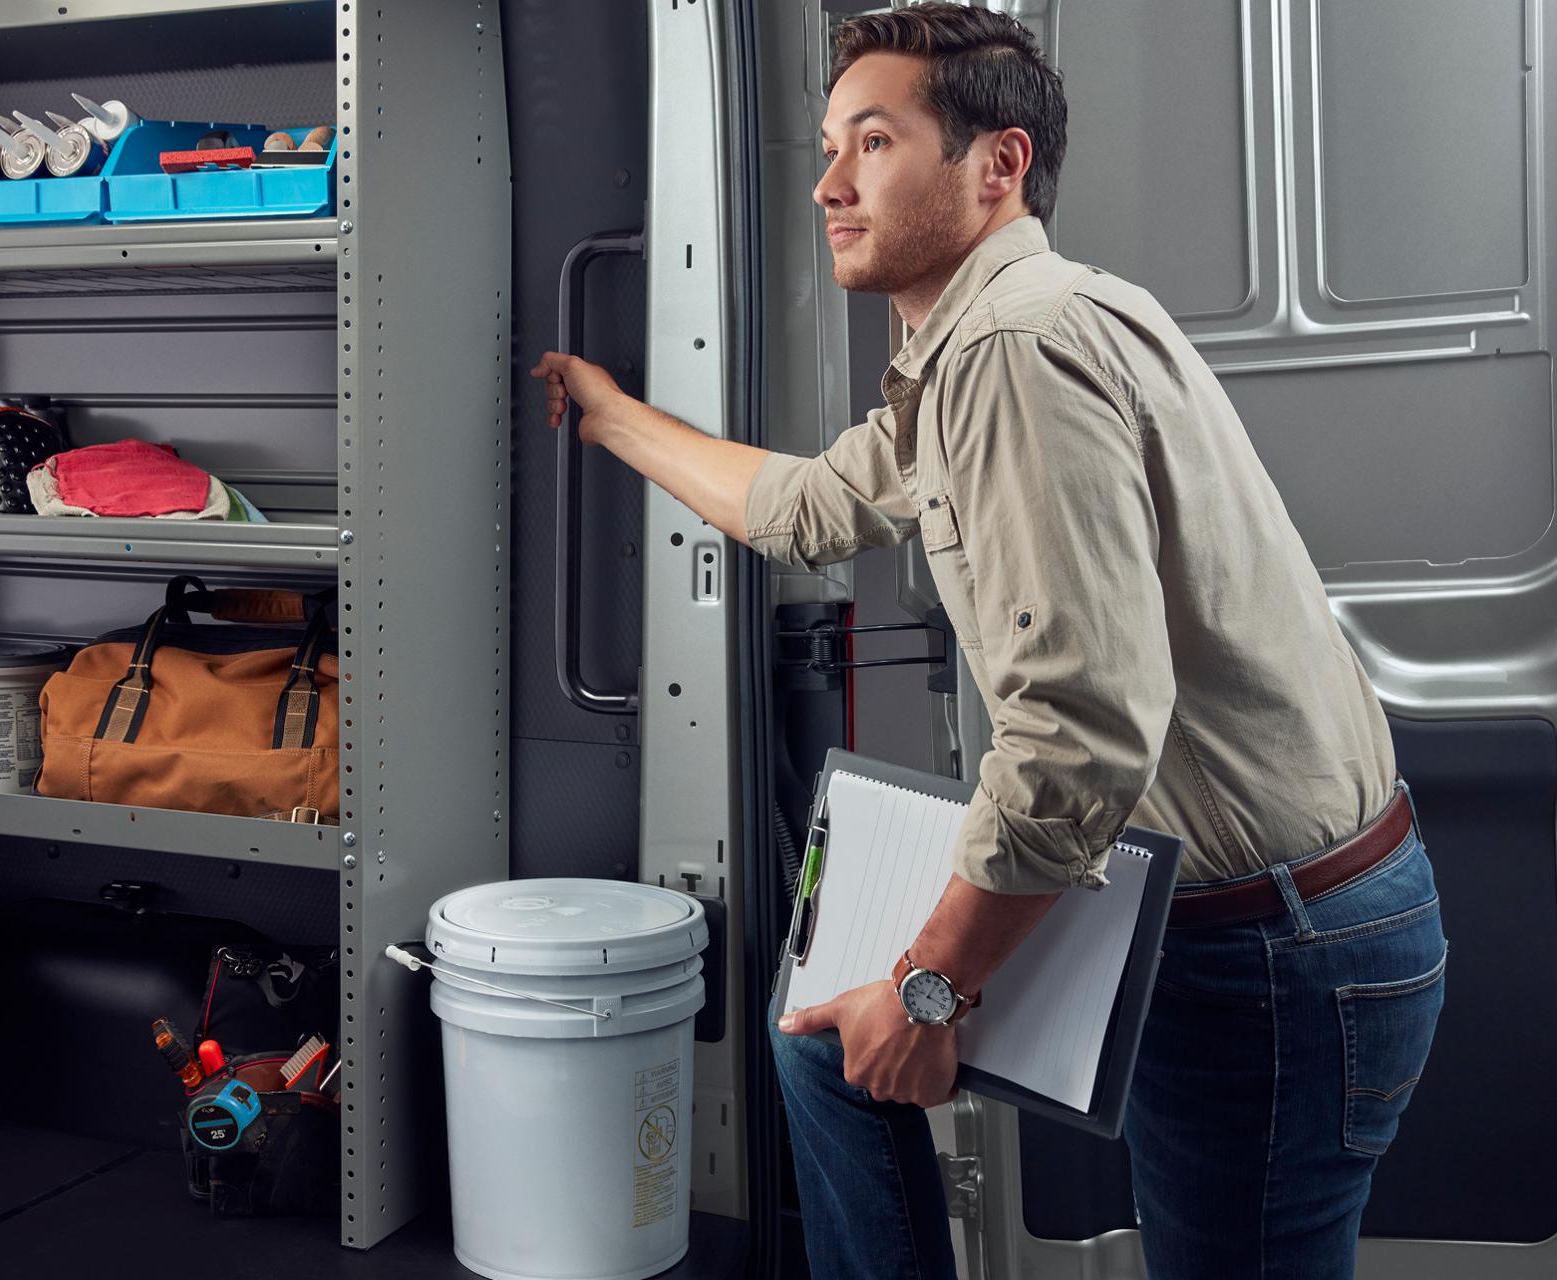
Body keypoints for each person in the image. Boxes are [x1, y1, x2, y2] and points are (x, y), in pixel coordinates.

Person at [531, 6, 1449, 1278]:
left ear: (996, 165)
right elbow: (806, 507)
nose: (829, 181)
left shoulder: (1015, 350)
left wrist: (934, 992)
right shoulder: (971, 345)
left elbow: (1078, 731)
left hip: (1270, 951)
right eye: (829, 144)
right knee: (818, 1036)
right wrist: (616, 416)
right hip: (1220, 910)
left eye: (875, 141)